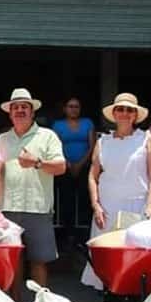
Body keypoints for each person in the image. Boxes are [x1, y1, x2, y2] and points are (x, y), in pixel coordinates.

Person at [81, 93, 151, 289]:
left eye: (129, 110)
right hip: (107, 208)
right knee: (106, 258)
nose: (124, 113)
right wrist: (96, 204)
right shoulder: (103, 142)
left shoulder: (147, 139)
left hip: (136, 207)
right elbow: (93, 176)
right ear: (114, 113)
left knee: (133, 258)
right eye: (120, 109)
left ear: (135, 115)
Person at [0, 88, 66, 301]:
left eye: (25, 107)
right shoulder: (1, 140)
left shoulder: (48, 136)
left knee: (39, 261)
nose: (20, 111)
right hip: (7, 208)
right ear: (9, 113)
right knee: (12, 260)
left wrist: (38, 163)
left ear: (32, 112)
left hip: (38, 207)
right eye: (16, 107)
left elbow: (61, 167)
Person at [52, 96, 95, 247]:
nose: (73, 109)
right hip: (64, 166)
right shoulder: (57, 125)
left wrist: (80, 164)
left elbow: (92, 145)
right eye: (70, 106)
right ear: (65, 109)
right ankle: (68, 235)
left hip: (85, 166)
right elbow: (56, 146)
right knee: (66, 200)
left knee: (86, 199)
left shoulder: (87, 123)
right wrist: (69, 163)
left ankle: (86, 234)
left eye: (76, 106)